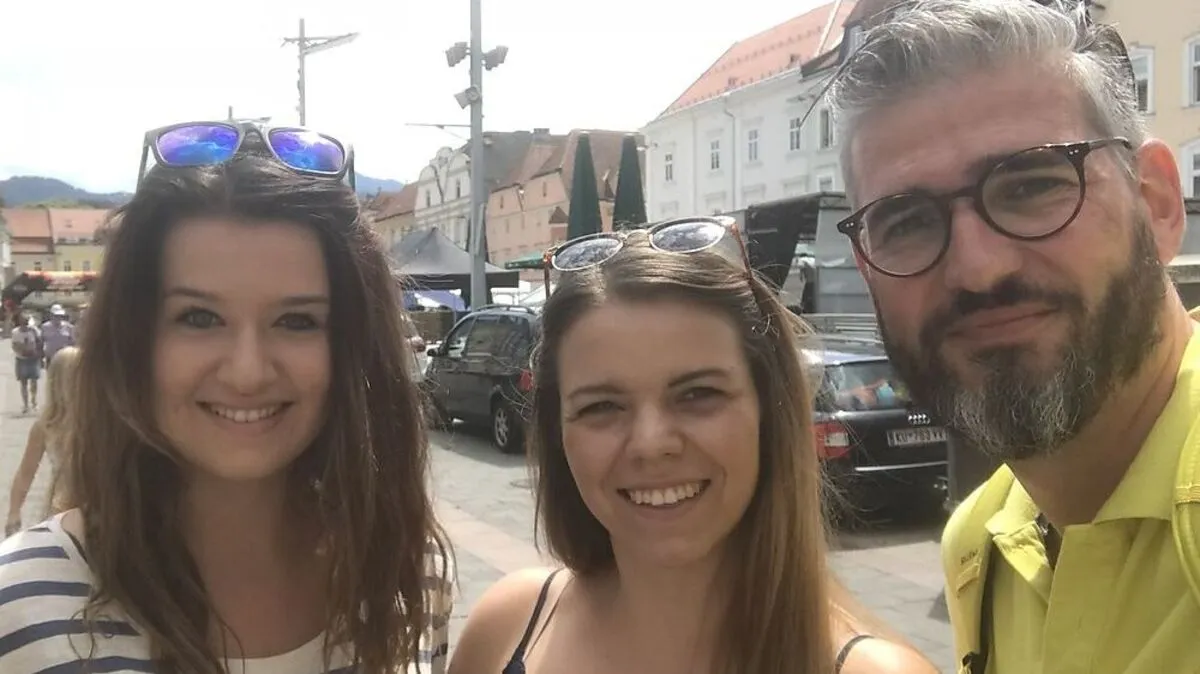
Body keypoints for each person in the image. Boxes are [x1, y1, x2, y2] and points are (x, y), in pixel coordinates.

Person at [0, 121, 452, 674]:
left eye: (297, 321)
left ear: (353, 345)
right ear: (134, 339)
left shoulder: (406, 577)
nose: (247, 372)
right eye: (199, 318)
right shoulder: (18, 606)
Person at [827, 1, 1200, 671]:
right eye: (906, 222)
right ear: (867, 267)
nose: (978, 269)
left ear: (1156, 203)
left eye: (1031, 186)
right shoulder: (981, 541)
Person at [449, 217, 938, 674]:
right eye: (602, 406)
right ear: (558, 432)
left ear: (769, 411)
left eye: (698, 395)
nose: (651, 443)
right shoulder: (507, 627)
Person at [5, 346, 80, 536]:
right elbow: (25, 473)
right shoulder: (45, 426)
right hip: (62, 507)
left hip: (97, 505)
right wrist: (14, 512)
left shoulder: (100, 420)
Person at [10, 311, 41, 413]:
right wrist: (22, 351)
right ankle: (26, 405)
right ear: (20, 321)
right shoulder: (15, 332)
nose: (25, 323)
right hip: (21, 359)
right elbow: (14, 345)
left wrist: (37, 353)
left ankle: (34, 402)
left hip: (33, 359)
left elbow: (39, 342)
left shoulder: (34, 330)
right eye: (23, 321)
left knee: (34, 382)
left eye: (27, 321)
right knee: (23, 383)